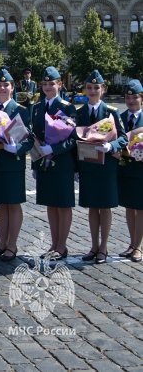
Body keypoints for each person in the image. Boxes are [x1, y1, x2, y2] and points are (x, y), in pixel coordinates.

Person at [76, 70, 127, 265]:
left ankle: (103, 247)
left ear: (103, 90)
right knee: (92, 207)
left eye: (96, 87)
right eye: (89, 88)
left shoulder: (111, 112)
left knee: (105, 207)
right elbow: (75, 137)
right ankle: (93, 246)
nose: (92, 91)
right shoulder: (80, 112)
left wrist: (111, 146)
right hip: (88, 166)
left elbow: (123, 136)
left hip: (106, 166)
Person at [0, 68, 33, 261]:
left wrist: (18, 148)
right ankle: (2, 243)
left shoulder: (20, 110)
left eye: (6, 85)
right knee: (1, 204)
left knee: (13, 204)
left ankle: (12, 245)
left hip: (12, 161)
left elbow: (29, 139)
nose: (2, 88)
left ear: (12, 88)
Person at [31, 67, 77, 261]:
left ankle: (62, 245)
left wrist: (54, 150)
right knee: (51, 203)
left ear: (60, 84)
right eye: (45, 84)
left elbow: (74, 138)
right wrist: (35, 163)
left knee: (63, 204)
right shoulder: (37, 107)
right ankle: (53, 244)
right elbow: (34, 137)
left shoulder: (68, 107)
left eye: (52, 83)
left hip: (63, 161)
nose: (48, 87)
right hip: (43, 162)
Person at [117, 79, 143, 263]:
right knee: (129, 206)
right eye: (128, 97)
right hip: (126, 167)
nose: (131, 101)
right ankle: (131, 243)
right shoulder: (121, 117)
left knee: (140, 208)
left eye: (135, 97)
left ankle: (138, 246)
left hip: (141, 169)